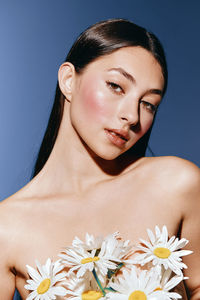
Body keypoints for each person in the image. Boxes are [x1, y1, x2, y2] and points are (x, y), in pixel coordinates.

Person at [0, 18, 199, 300]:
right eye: (116, 86)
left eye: (148, 104)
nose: (132, 115)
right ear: (69, 80)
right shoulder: (6, 228)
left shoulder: (176, 185)